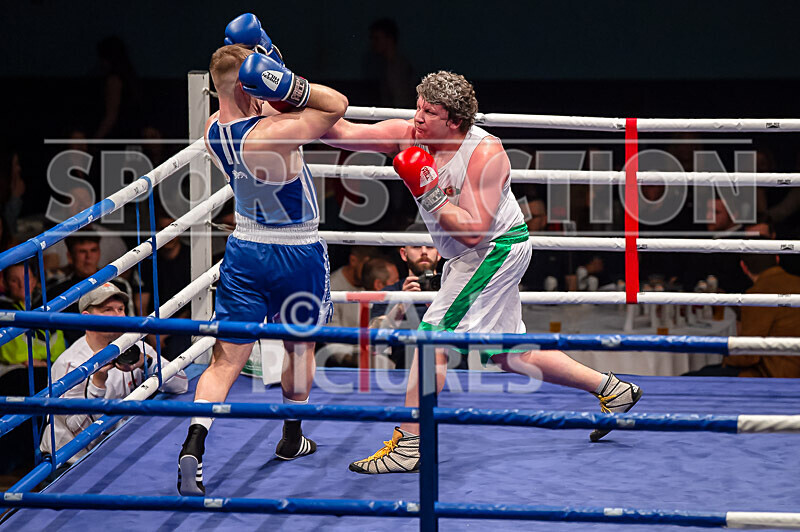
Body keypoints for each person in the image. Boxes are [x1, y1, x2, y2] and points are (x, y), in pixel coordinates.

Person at [322, 70, 641, 473]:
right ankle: (613, 390)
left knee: (430, 340)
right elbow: (343, 134)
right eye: (418, 106)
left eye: (429, 112)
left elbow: (474, 235)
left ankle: (408, 446)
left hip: (493, 250)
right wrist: (289, 102)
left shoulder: (486, 155)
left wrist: (428, 190)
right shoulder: (410, 134)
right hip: (470, 255)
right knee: (511, 354)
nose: (417, 117)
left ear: (454, 120)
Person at [177, 14, 349, 495]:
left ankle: (194, 446)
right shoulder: (274, 132)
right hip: (297, 252)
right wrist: (283, 80)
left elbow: (255, 105)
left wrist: (262, 72)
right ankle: (292, 438)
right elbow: (336, 105)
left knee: (225, 362)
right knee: (299, 348)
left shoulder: (213, 130)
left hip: (246, 250)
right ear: (254, 84)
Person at [40, 282, 188, 463]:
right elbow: (85, 436)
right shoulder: (70, 365)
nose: (118, 316)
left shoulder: (135, 347)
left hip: (119, 450)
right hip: (72, 463)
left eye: (121, 309)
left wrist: (146, 363)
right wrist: (98, 382)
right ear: (87, 318)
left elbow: (181, 383)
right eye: (108, 310)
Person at [369, 223, 442, 369]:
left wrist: (438, 306)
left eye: (429, 246)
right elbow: (374, 346)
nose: (423, 252)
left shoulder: (454, 287)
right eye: (416, 246)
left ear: (439, 252)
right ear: (404, 253)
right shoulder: (391, 293)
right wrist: (401, 306)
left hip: (454, 372)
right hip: (405, 374)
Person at [47, 230, 136, 346]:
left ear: (99, 253)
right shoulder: (57, 290)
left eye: (93, 250)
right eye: (82, 252)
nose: (88, 257)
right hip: (72, 350)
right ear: (70, 256)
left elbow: (130, 324)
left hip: (115, 346)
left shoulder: (119, 285)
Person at [723, 254, 800, 377]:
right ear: (777, 258)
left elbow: (748, 355)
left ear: (743, 266)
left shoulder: (757, 294)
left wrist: (725, 358)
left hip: (776, 376)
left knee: (693, 377)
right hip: (788, 371)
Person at [0, 262, 66, 366]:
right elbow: (16, 356)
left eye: (26, 278)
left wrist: (45, 364)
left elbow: (60, 347)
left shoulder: (48, 304)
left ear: (34, 281)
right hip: (18, 372)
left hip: (52, 367)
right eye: (14, 280)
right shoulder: (3, 311)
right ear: (4, 283)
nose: (22, 285)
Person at [326, 246, 380, 366]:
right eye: (367, 267)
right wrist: (350, 359)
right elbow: (331, 336)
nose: (370, 271)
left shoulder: (373, 284)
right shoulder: (333, 287)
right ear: (353, 261)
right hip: (345, 359)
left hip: (371, 352)